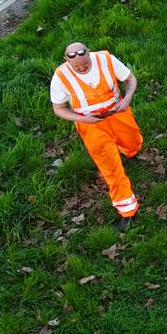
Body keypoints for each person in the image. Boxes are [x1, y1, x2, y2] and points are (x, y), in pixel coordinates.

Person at [50, 43, 144, 231]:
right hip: (91, 126)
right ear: (66, 61)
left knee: (133, 144)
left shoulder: (106, 59)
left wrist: (127, 99)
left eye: (85, 64)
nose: (82, 68)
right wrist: (82, 119)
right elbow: (59, 109)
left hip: (119, 114)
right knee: (110, 168)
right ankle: (127, 210)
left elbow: (130, 79)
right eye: (77, 67)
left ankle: (130, 151)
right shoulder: (60, 76)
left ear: (90, 55)